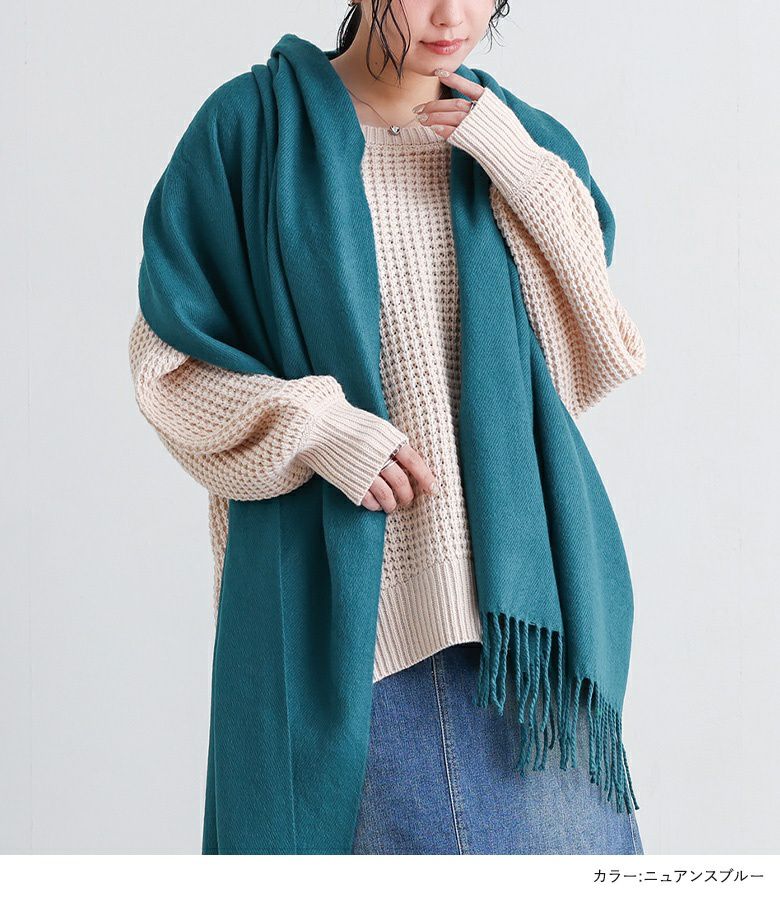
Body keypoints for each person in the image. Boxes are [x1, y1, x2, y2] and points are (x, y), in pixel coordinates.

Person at [129, 0, 646, 855]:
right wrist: (317, 428)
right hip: (352, 630)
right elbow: (169, 365)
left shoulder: (520, 139)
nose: (452, 15)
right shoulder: (250, 131)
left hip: (526, 634)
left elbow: (595, 352)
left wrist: (516, 166)